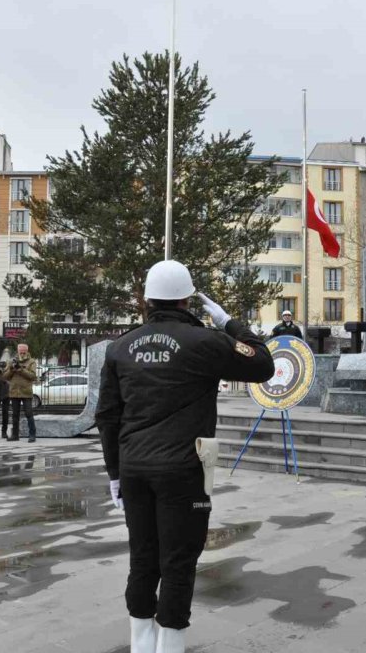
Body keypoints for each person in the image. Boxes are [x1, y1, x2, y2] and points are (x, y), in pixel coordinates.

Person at [96, 260, 274, 653]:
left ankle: (141, 645)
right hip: (184, 472)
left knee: (143, 559)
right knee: (178, 562)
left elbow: (107, 416)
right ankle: (169, 647)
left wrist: (115, 473)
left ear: (147, 297)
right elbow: (263, 364)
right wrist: (229, 323)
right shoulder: (205, 342)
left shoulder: (120, 347)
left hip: (135, 470)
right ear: (187, 298)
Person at [3, 343, 37, 443]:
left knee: (29, 413)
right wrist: (12, 370)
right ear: (17, 351)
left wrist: (21, 369)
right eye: (20, 351)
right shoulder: (11, 361)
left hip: (26, 392)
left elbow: (33, 376)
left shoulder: (31, 362)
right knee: (15, 415)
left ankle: (32, 434)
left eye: (24, 351)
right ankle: (15, 435)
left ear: (27, 351)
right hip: (14, 392)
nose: (22, 353)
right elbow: (5, 377)